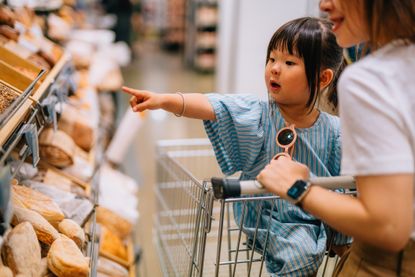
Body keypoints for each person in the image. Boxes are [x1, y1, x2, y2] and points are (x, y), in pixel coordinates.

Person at [123, 17, 349, 276]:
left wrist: (341, 241)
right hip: (264, 215)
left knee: (310, 246)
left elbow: (340, 186)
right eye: (272, 59)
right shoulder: (258, 113)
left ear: (322, 78)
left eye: (289, 62)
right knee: (301, 253)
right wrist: (164, 100)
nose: (274, 68)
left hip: (311, 219)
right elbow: (215, 106)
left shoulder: (335, 131)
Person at [257, 1, 415, 276]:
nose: (324, 4)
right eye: (271, 59)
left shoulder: (370, 79)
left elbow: (388, 226)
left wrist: (297, 188)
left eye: (290, 62)